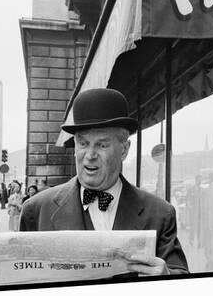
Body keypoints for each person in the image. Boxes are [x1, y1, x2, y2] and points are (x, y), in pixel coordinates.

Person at [20, 88, 189, 276]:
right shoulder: (36, 210)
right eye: (83, 144)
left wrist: (167, 279)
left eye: (102, 145)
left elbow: (182, 278)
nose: (90, 156)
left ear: (124, 149)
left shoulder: (160, 213)